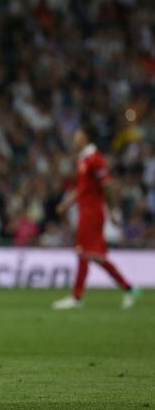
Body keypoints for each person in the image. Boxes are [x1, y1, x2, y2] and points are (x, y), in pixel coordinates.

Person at [52, 124, 142, 310]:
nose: (74, 138)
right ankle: (128, 288)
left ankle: (78, 297)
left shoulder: (95, 159)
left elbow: (107, 185)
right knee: (92, 255)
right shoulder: (83, 159)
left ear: (86, 137)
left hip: (93, 214)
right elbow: (83, 189)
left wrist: (113, 211)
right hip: (85, 212)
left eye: (77, 134)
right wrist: (67, 204)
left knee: (86, 254)